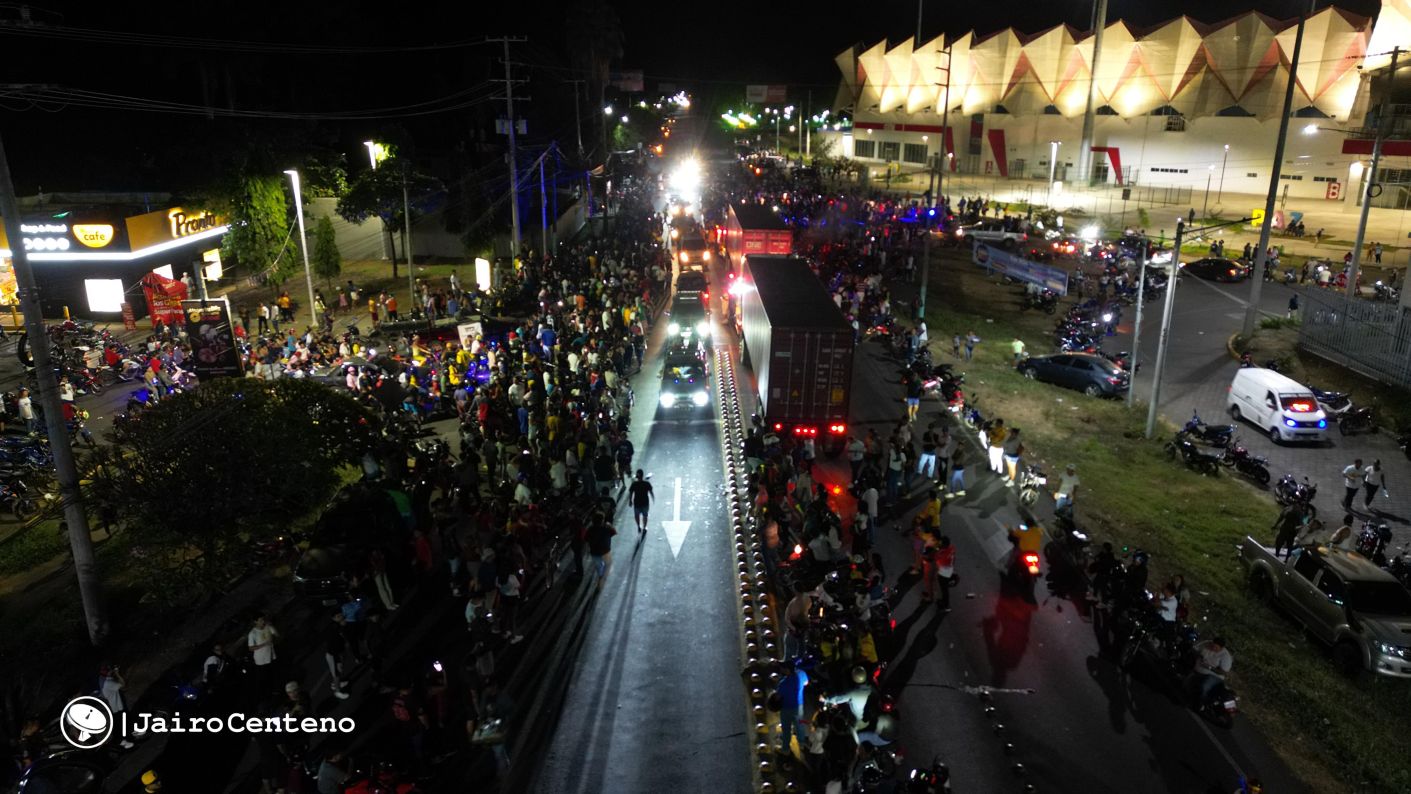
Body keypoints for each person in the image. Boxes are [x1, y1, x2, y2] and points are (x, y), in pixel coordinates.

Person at [775, 659, 809, 758]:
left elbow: (777, 697)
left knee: (786, 729)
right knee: (800, 725)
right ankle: (802, 744)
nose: (781, 669)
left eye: (782, 668)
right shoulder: (801, 673)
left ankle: (785, 749)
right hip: (799, 706)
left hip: (786, 708)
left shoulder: (783, 683)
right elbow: (806, 683)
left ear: (787, 670)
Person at [98, 665, 137, 748]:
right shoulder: (107, 683)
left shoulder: (102, 680)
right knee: (119, 726)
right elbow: (123, 685)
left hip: (113, 707)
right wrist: (117, 674)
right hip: (115, 708)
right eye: (110, 670)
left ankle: (128, 738)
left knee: (121, 724)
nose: (111, 671)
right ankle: (122, 743)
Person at [1188, 636, 1233, 704]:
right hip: (1198, 670)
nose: (1213, 648)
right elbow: (1194, 648)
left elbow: (1223, 672)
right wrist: (1199, 655)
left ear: (1222, 648)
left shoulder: (1225, 656)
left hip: (1213, 676)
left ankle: (1201, 703)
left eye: (1216, 648)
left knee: (1204, 687)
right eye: (1213, 646)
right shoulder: (1206, 644)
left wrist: (1209, 667)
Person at [247, 613, 279, 694]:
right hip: (261, 660)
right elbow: (250, 648)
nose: (263, 621)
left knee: (273, 675)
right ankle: (264, 693)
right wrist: (264, 644)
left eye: (263, 619)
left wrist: (272, 626)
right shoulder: (252, 633)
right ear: (255, 621)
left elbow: (277, 635)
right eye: (260, 620)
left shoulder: (268, 627)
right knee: (263, 678)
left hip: (271, 656)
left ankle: (275, 691)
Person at [628, 469, 654, 535]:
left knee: (637, 515)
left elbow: (631, 493)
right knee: (645, 515)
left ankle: (638, 526)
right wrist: (653, 497)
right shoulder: (646, 483)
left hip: (637, 503)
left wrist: (630, 500)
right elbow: (651, 492)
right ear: (642, 475)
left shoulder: (634, 484)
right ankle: (644, 527)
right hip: (645, 502)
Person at [934, 535, 956, 611]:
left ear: (945, 545)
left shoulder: (944, 555)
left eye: (942, 543)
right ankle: (945, 603)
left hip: (944, 573)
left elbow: (937, 561)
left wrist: (938, 552)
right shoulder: (952, 548)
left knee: (944, 589)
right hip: (950, 569)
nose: (940, 544)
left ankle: (946, 605)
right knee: (944, 589)